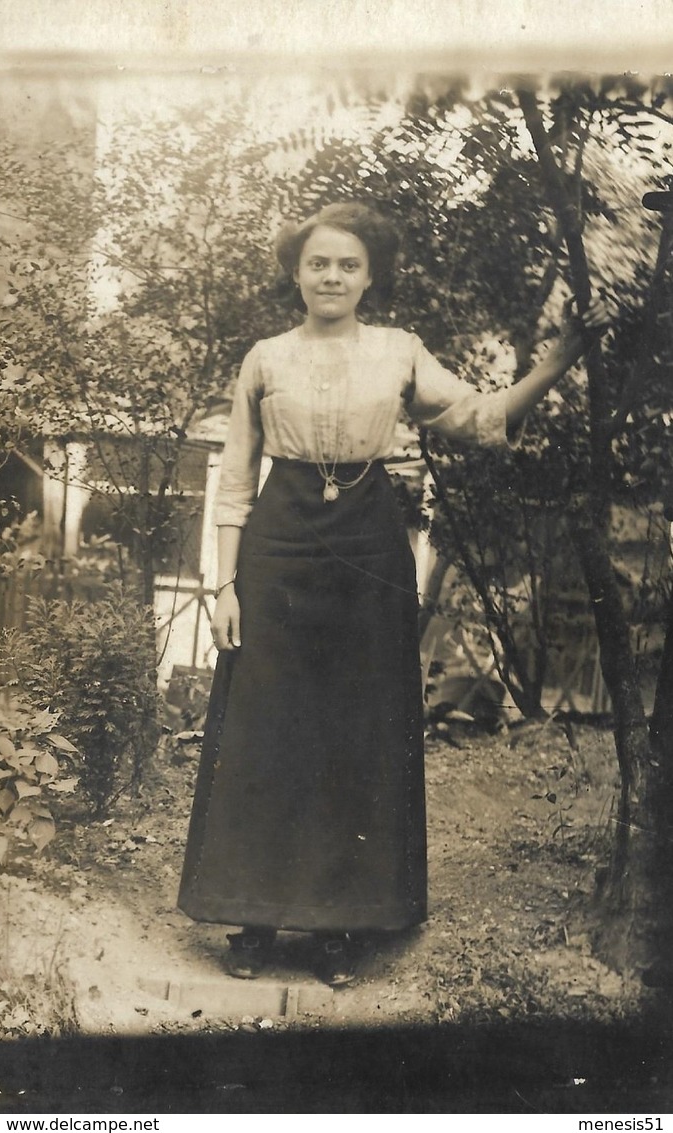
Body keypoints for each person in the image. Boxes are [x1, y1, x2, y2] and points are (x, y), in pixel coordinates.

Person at [178, 201, 608, 987]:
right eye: (317, 263)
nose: (331, 276)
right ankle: (255, 915)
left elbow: (479, 419)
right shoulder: (265, 358)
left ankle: (342, 925)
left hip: (368, 543)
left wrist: (555, 362)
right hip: (277, 540)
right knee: (267, 719)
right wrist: (225, 583)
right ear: (295, 274)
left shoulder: (399, 352)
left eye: (347, 263)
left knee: (354, 722)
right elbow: (235, 480)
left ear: (370, 275)